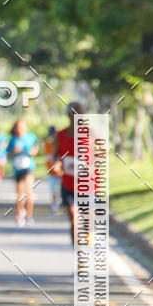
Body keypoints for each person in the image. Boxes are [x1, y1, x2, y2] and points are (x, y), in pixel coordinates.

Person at [54, 101, 84, 245]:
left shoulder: (91, 135)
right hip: (68, 184)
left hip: (88, 185)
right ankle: (79, 258)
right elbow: (56, 157)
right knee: (74, 219)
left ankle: (86, 247)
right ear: (68, 115)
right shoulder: (60, 135)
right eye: (73, 113)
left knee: (87, 222)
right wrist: (56, 166)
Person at [7, 119, 38, 227]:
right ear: (15, 128)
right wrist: (14, 152)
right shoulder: (13, 140)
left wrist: (32, 152)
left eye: (22, 126)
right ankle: (20, 213)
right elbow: (7, 154)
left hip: (28, 167)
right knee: (20, 193)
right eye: (18, 127)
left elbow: (36, 148)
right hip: (18, 168)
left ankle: (29, 215)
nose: (20, 129)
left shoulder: (31, 137)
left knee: (29, 191)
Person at [43, 125, 60, 213]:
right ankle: (55, 205)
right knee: (53, 190)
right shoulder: (47, 143)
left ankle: (59, 204)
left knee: (60, 190)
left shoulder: (59, 143)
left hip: (60, 172)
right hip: (51, 171)